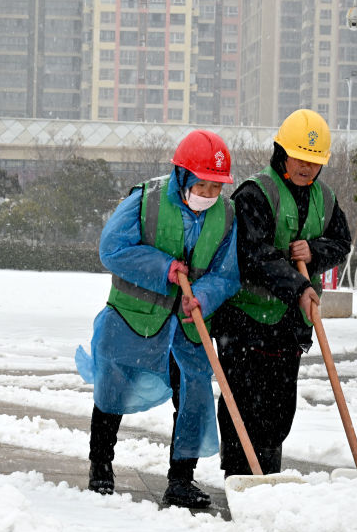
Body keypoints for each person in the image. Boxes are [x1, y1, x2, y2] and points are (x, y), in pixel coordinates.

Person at [75, 130, 240, 509]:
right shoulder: (144, 201)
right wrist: (163, 268)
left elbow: (226, 274)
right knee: (111, 387)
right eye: (202, 186)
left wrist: (203, 295)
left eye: (216, 188)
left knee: (194, 395)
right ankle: (101, 466)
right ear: (182, 176)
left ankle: (181, 480)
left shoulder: (225, 215)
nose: (209, 196)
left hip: (187, 324)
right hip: (131, 317)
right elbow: (111, 249)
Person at [212, 109, 351, 478]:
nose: (307, 168)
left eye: (315, 162)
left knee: (277, 407)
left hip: (288, 326)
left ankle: (269, 473)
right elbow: (254, 255)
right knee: (241, 403)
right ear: (281, 152)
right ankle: (239, 474)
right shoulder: (255, 193)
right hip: (245, 321)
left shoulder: (326, 198)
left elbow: (341, 242)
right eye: (300, 158)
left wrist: (315, 252)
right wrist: (299, 284)